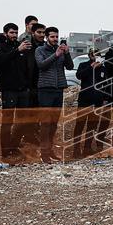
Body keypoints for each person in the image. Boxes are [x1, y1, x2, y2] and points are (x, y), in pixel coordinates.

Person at [35, 27, 74, 162]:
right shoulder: (40, 50)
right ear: (47, 37)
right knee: (45, 123)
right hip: (45, 89)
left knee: (54, 123)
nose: (55, 39)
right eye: (52, 37)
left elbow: (69, 66)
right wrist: (55, 55)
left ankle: (50, 150)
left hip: (58, 89)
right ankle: (44, 153)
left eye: (56, 37)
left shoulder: (61, 50)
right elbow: (41, 65)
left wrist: (67, 53)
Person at [0, 23, 34, 158]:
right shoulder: (1, 48)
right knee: (7, 121)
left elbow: (27, 67)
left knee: (22, 121)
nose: (14, 35)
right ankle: (5, 150)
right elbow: (1, 61)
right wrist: (17, 50)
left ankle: (14, 145)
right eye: (11, 33)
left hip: (23, 89)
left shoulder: (23, 48)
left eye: (16, 33)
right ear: (5, 33)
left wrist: (27, 84)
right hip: (9, 90)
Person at [73, 48, 110, 157]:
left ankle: (87, 148)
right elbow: (79, 76)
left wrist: (105, 98)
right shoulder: (84, 65)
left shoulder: (103, 69)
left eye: (98, 54)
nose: (96, 56)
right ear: (90, 56)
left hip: (97, 100)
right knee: (80, 124)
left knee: (92, 125)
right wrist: (91, 67)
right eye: (94, 55)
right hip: (85, 99)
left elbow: (106, 84)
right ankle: (76, 149)